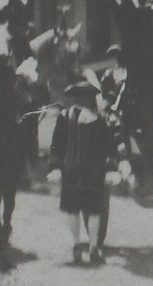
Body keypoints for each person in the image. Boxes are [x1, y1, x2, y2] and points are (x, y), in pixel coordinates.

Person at [49, 78, 119, 266]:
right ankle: (76, 245)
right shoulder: (65, 118)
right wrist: (55, 167)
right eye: (78, 96)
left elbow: (109, 147)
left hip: (93, 173)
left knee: (94, 211)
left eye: (86, 96)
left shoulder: (100, 120)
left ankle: (93, 246)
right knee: (73, 210)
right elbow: (57, 145)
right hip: (72, 171)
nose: (82, 100)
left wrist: (110, 169)